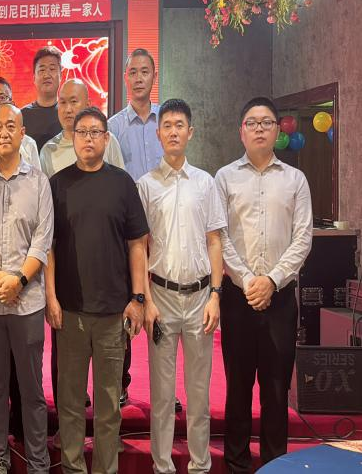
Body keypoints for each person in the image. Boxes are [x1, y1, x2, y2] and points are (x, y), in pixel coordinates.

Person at [47, 106, 149, 474]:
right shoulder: (57, 185)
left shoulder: (122, 184)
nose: (88, 138)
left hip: (112, 314)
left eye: (95, 132)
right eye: (82, 132)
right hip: (70, 312)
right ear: (72, 138)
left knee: (108, 406)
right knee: (70, 403)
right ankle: (73, 468)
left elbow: (137, 244)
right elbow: (49, 247)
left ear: (106, 139)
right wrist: (51, 298)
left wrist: (138, 298)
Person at [216, 97, 312, 473]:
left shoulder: (295, 180)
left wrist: (271, 280)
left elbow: (303, 238)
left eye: (266, 122)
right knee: (238, 388)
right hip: (237, 299)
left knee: (275, 389)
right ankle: (237, 464)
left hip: (281, 299)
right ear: (241, 131)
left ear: (277, 130)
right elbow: (219, 237)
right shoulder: (224, 178)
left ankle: (275, 465)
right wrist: (246, 281)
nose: (259, 128)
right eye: (252, 123)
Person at [137, 99, 225, 474]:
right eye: (167, 126)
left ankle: (200, 465)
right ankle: (162, 467)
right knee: (161, 395)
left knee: (199, 393)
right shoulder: (145, 186)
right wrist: (146, 300)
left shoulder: (205, 183)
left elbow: (215, 242)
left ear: (191, 132)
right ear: (158, 134)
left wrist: (216, 295)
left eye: (179, 125)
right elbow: (139, 247)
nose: (173, 132)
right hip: (161, 298)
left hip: (201, 298)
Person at [0, 104, 53, 474]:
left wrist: (18, 280)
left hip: (28, 302)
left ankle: (37, 462)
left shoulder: (39, 183)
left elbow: (42, 240)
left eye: (10, 126)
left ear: (22, 133)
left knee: (32, 390)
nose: (4, 132)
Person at [41, 79, 130, 409]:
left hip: (108, 272)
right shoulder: (48, 152)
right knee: (67, 365)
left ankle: (118, 393)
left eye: (74, 101)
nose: (67, 108)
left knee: (111, 370)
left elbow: (118, 197)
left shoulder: (109, 143)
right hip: (68, 275)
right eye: (62, 102)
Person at [40, 79, 125, 177]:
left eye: (73, 102)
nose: (67, 110)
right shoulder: (48, 150)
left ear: (87, 105)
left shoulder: (106, 140)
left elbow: (120, 181)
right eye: (62, 102)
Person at [108, 48, 164, 181]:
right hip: (129, 194)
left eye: (144, 72)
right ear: (125, 78)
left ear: (154, 77)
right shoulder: (112, 127)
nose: (138, 79)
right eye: (133, 73)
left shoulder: (166, 119)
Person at [21, 46, 63, 149]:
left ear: (61, 76)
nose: (47, 75)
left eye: (52, 69)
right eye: (42, 70)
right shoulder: (21, 116)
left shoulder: (68, 114)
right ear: (34, 78)